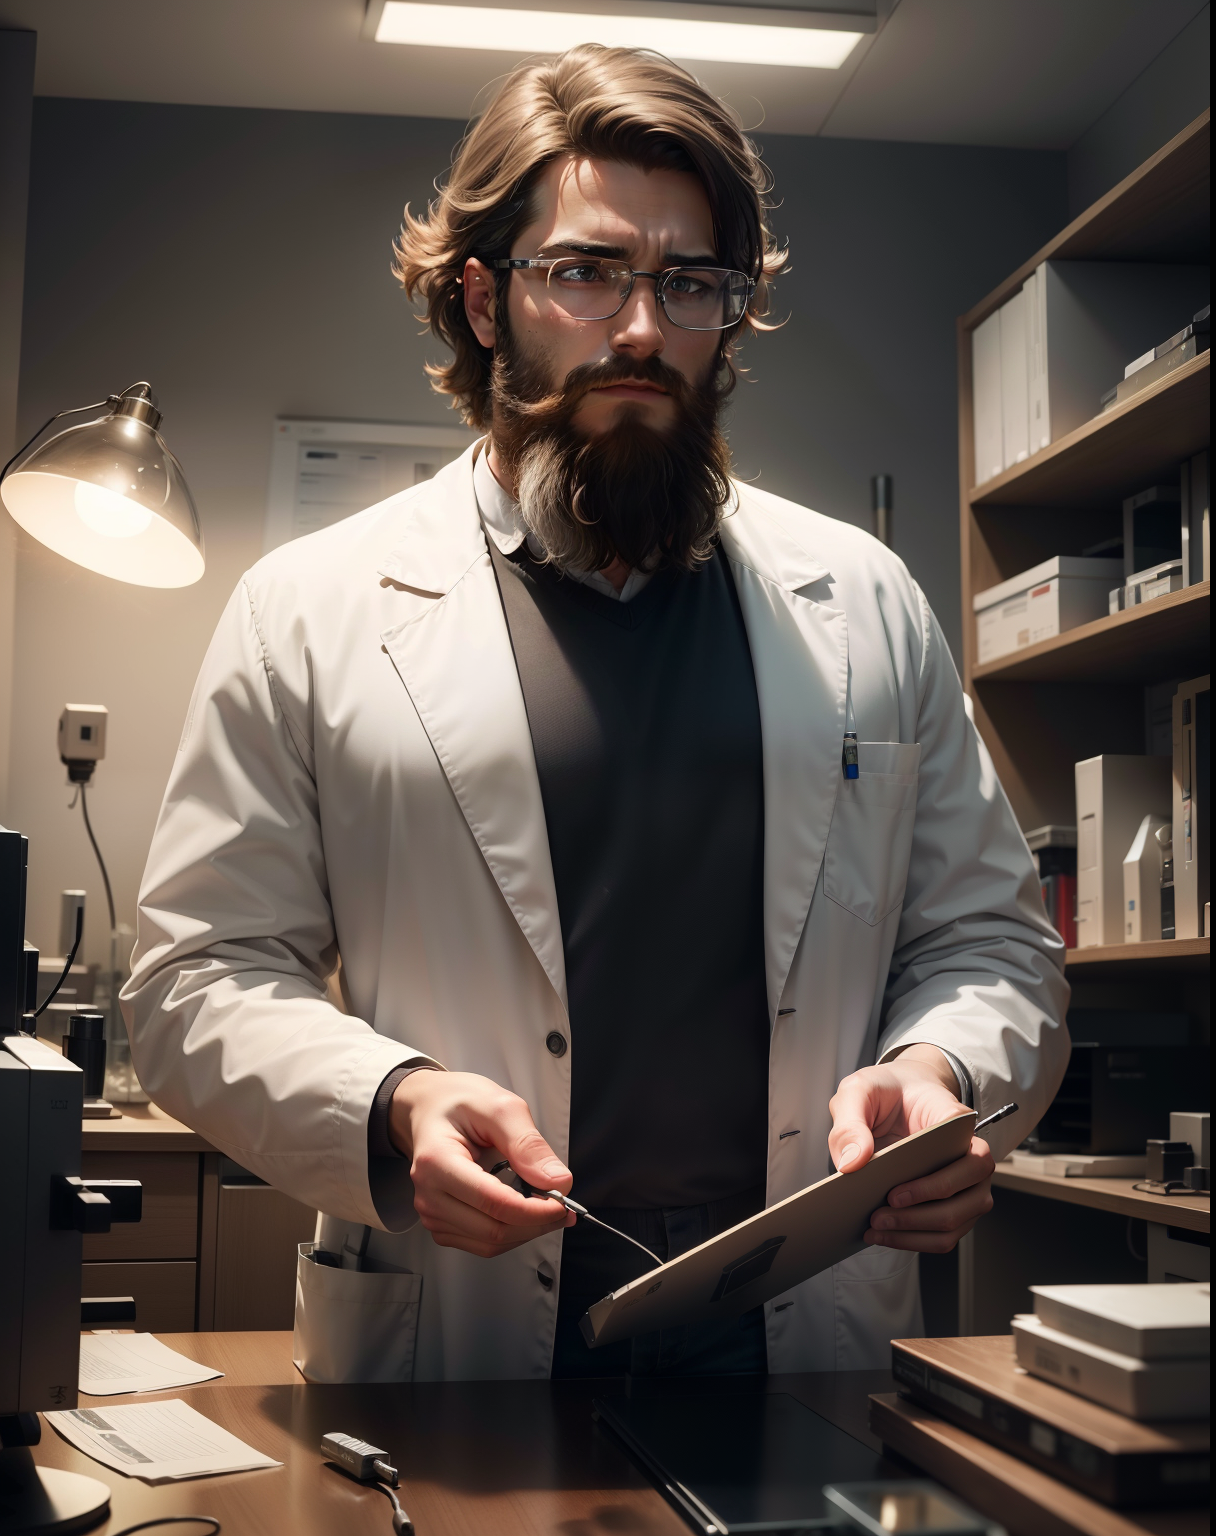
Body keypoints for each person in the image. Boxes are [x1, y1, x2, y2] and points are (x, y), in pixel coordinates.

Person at [123, 44, 1069, 1384]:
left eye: (690, 282)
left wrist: (943, 1072)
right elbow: (193, 977)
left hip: (800, 1313)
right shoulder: (310, 607)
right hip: (463, 1311)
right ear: (485, 300)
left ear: (730, 313)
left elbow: (993, 945)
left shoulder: (864, 600)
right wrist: (393, 1104)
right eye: (585, 270)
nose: (641, 327)